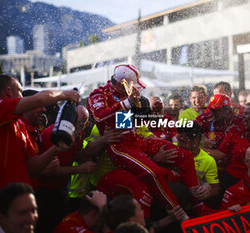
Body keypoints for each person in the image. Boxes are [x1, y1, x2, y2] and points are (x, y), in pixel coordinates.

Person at [87, 64, 208, 217]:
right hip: (115, 162)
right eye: (131, 87)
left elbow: (131, 124)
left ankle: (198, 205)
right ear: (120, 84)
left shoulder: (128, 100)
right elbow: (99, 117)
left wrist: (152, 114)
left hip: (135, 142)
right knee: (154, 173)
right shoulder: (99, 95)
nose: (134, 92)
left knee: (185, 155)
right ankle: (180, 215)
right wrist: (127, 104)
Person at [0, 74, 80, 204]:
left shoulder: (19, 126)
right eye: (20, 91)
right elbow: (40, 100)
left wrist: (56, 147)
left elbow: (34, 167)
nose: (22, 97)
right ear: (8, 91)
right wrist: (65, 94)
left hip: (22, 202)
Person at [36, 105, 96, 233]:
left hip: (61, 188)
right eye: (73, 121)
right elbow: (51, 172)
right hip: (44, 189)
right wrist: (81, 168)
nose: (75, 126)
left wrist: (85, 158)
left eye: (81, 123)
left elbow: (76, 154)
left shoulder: (79, 133)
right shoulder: (54, 135)